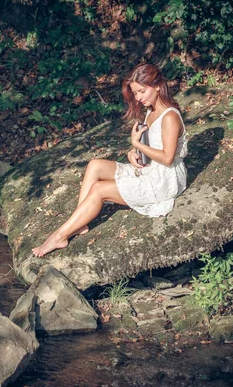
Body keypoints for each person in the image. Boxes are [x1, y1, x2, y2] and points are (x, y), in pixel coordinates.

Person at [32, 63, 188, 258]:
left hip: (164, 180)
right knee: (95, 165)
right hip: (149, 168)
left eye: (142, 91)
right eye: (136, 93)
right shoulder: (151, 110)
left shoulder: (169, 117)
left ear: (157, 86)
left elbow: (167, 158)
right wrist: (133, 152)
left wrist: (137, 144)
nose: (139, 98)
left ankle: (59, 236)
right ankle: (80, 222)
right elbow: (150, 144)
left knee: (99, 190)